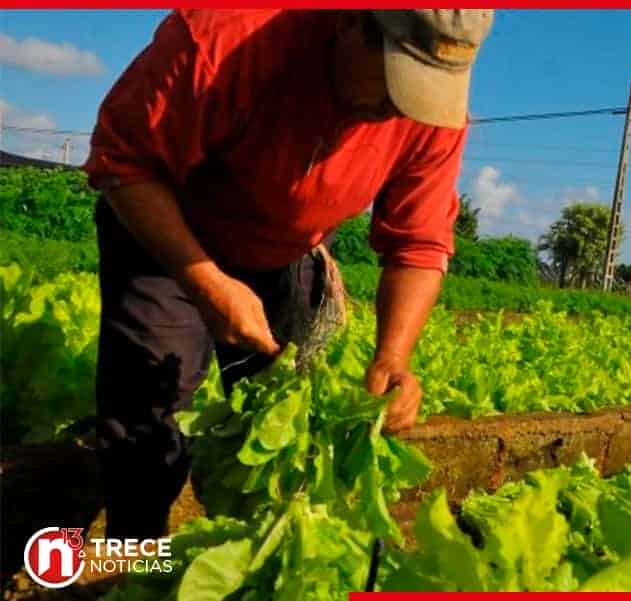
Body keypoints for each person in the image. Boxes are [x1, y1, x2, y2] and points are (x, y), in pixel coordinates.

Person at [83, 8, 494, 539]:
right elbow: (123, 164)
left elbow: (418, 242)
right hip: (164, 231)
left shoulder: (431, 118)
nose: (400, 108)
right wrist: (207, 281)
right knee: (146, 417)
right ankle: (133, 566)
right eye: (396, 81)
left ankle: (254, 566)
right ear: (351, 24)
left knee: (282, 428)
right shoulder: (225, 37)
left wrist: (393, 357)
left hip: (284, 248)